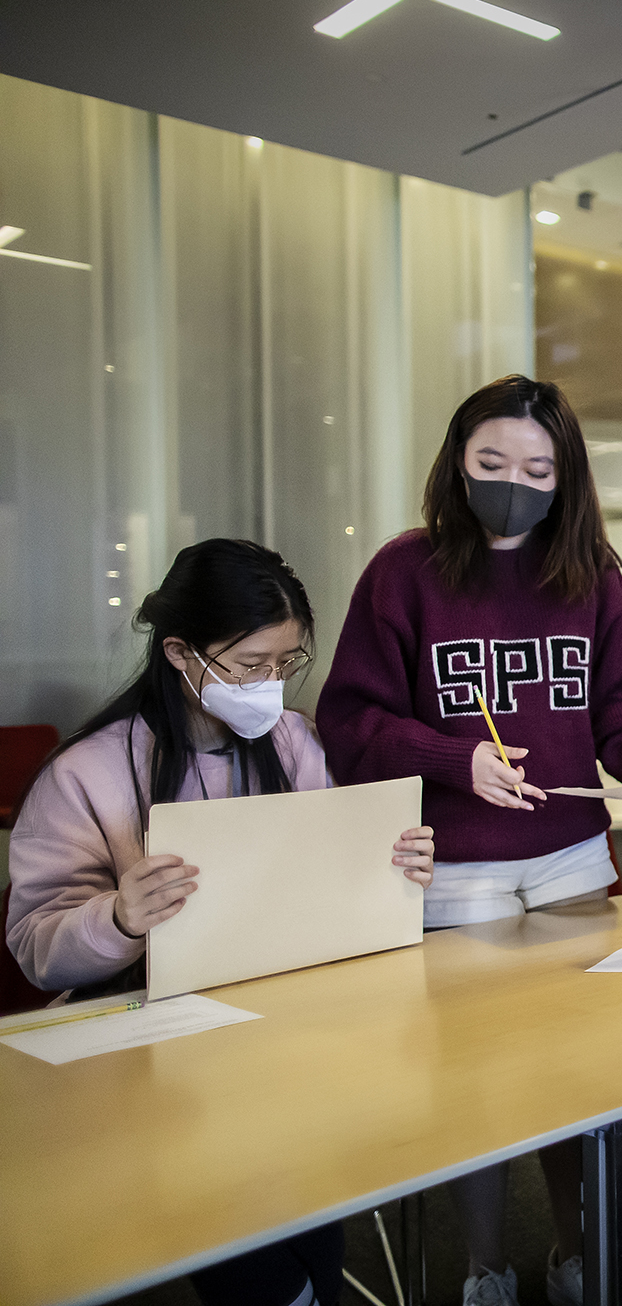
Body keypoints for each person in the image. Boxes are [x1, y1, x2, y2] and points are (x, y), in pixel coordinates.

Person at [316, 375, 622, 1306]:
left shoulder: (589, 572)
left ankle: (572, 1252)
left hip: (570, 854)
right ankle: (484, 1268)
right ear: (456, 462)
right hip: (454, 863)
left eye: (536, 467)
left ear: (565, 477)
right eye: (490, 462)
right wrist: (452, 755)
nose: (513, 482)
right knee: (474, 1082)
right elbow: (349, 722)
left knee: (575, 1073)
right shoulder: (404, 572)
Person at [6, 537, 435, 1306]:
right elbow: (38, 949)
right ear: (179, 652)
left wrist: (389, 867)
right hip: (149, 1055)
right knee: (252, 1243)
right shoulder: (87, 773)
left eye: (286, 662)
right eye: (247, 666)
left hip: (281, 1038)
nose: (270, 685)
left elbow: (320, 890)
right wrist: (117, 916)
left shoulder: (293, 741)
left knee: (311, 1222)